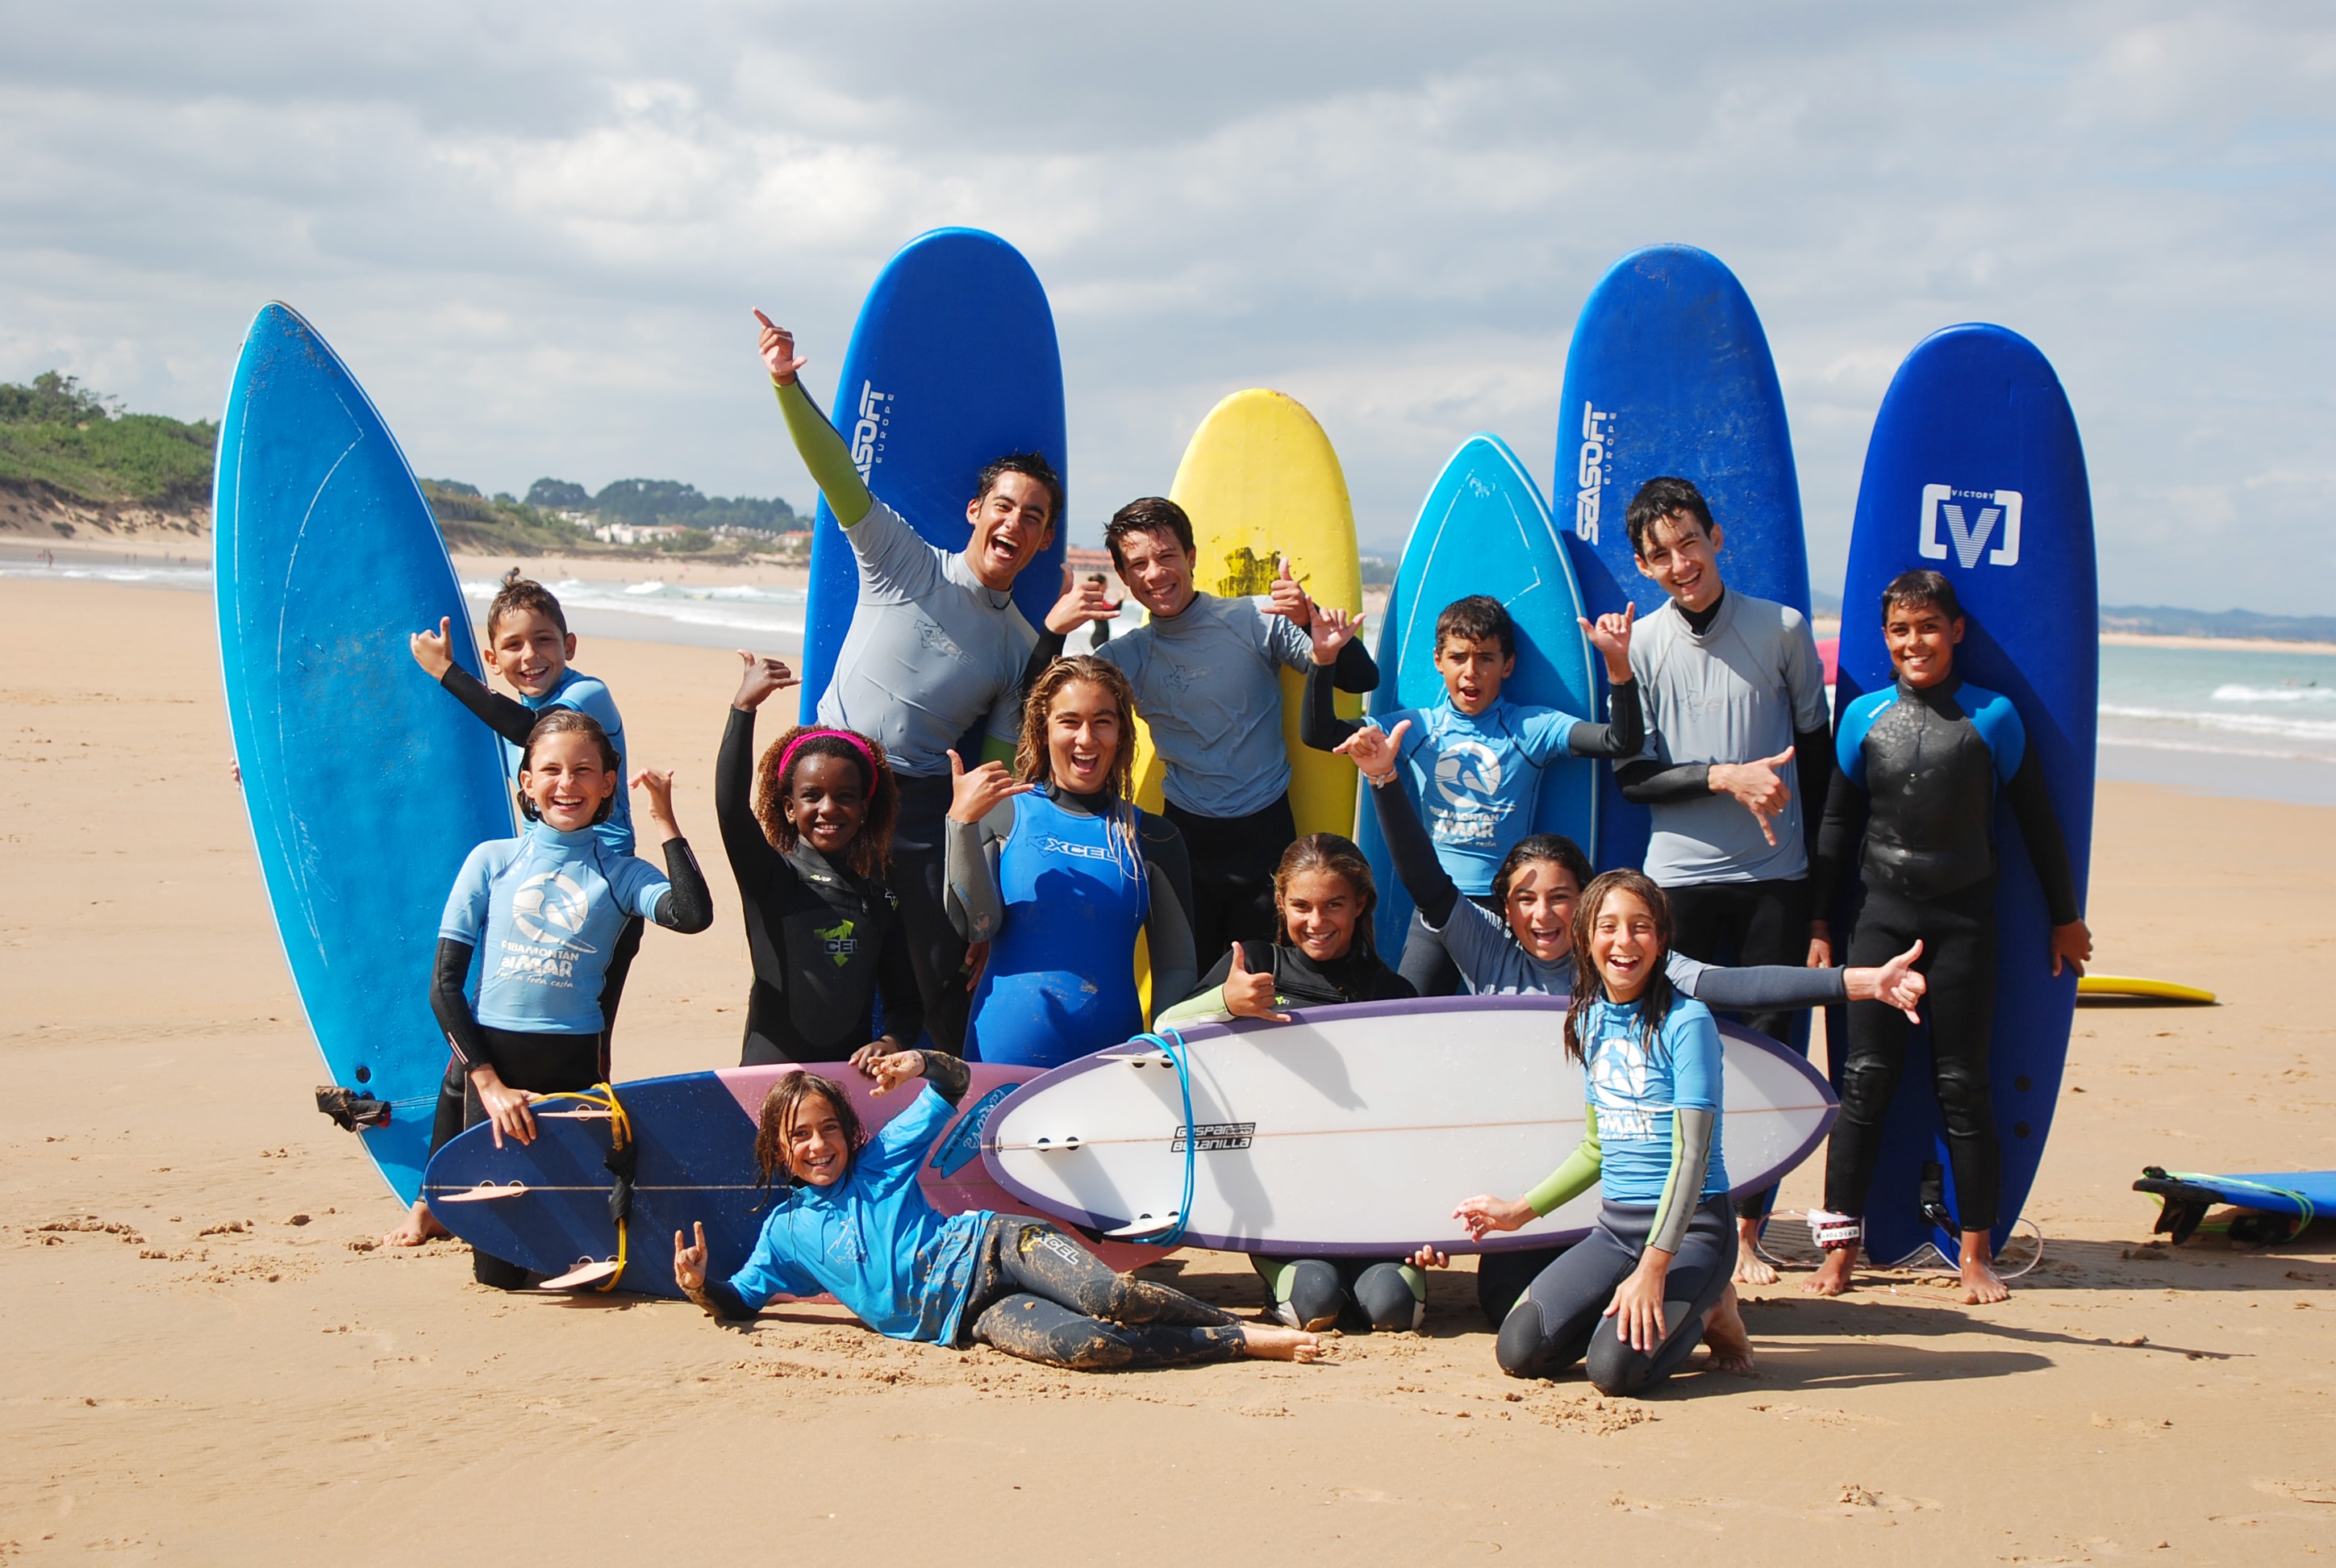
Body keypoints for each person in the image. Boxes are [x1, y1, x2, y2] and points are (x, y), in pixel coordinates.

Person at [1337, 715, 1928, 1318]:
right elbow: (1425, 880)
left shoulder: (1624, 961)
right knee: (1503, 1304)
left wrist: (1860, 981)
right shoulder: (1486, 947)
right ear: (1506, 908)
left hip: (1618, 1187)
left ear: (1588, 902)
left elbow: (1738, 984)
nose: (1543, 915)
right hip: (1534, 1181)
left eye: (1561, 896)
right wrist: (1384, 778)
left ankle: (1698, 1285)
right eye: (1525, 899)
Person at [756, 309, 1076, 1053]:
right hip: (832, 775)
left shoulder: (1020, 645)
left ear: (1043, 537)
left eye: (1033, 516)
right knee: (815, 962)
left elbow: (994, 766)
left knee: (936, 971)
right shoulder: (904, 560)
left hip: (924, 803)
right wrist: (785, 386)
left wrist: (975, 897)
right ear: (976, 512)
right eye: (1004, 506)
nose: (1016, 524)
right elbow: (838, 473)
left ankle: (925, 1107)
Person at [1804, 570, 2092, 1305]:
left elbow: (2037, 823)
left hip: (1965, 922)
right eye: (1900, 631)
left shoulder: (1994, 717)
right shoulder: (1864, 717)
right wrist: (1818, 925)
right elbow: (1836, 830)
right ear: (1886, 640)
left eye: (1927, 627)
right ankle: (1840, 1250)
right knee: (1863, 1084)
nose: (1914, 642)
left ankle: (1974, 1256)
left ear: (1955, 631)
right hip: (1883, 921)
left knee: (1963, 1089)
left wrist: (2065, 917)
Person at [670, 1049, 1324, 1369]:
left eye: (829, 1128)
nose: (819, 1145)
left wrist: (915, 1062)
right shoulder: (784, 1235)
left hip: (996, 1245)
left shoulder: (882, 1159)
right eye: (801, 1136)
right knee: (1092, 1346)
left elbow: (952, 1085)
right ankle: (1230, 1340)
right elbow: (741, 1301)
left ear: (848, 1131)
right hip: (968, 1317)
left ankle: (1245, 1332)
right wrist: (702, 1287)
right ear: (780, 1152)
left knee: (1113, 1297)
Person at [1612, 477, 1834, 1285]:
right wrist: (1725, 777)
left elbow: (1819, 763)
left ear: (1715, 536)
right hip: (1678, 884)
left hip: (1775, 878)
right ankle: (1680, 1218)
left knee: (1770, 1050)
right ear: (1642, 565)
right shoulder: (1639, 648)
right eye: (1660, 554)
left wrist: (1820, 908)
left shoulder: (1780, 630)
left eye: (1689, 543)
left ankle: (1747, 1232)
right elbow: (1634, 779)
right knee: (1679, 1054)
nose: (1681, 564)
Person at [403, 709, 713, 1280]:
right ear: (527, 783)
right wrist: (489, 1085)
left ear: (606, 786)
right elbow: (444, 987)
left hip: (574, 1061)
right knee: (498, 1273)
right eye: (550, 770)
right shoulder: (491, 862)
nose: (566, 784)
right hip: (497, 1064)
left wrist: (666, 821)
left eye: (583, 771)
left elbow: (693, 915)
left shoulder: (622, 874)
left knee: (575, 1251)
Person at [1417, 869, 1754, 1395]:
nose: (1624, 942)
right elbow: (1597, 1148)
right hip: (1618, 1230)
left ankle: (1712, 1310)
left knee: (1614, 1372)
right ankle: (1636, 1311)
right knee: (1521, 1350)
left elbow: (1691, 1159)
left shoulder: (1688, 1023)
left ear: (1661, 939)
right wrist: (1516, 1213)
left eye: (1641, 927)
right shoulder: (1591, 1019)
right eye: (1609, 927)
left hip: (1692, 1233)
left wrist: (1654, 1268)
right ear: (1587, 939)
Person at [393, 581, 643, 1247]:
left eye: (544, 641)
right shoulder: (524, 705)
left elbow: (528, 733)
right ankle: (436, 1198)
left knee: (584, 1048)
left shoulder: (585, 697)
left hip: (604, 889)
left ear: (571, 646)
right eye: (514, 645)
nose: (531, 655)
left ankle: (586, 1184)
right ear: (494, 656)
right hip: (540, 878)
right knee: (472, 1047)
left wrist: (448, 673)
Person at [1022, 496, 1379, 961]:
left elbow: (1360, 679)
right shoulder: (1125, 657)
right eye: (1139, 564)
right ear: (1125, 578)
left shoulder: (1255, 619)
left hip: (1264, 834)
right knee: (1192, 985)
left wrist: (1310, 618)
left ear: (1191, 557)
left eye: (1167, 556)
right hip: (1185, 842)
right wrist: (1052, 633)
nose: (1155, 573)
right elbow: (1037, 709)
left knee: (1266, 978)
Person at [1300, 594, 1641, 995]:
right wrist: (1323, 661)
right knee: (1410, 1018)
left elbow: (1621, 740)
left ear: (1508, 665)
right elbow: (1319, 733)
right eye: (1459, 658)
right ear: (1438, 661)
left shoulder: (1532, 727)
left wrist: (1619, 666)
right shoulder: (1414, 728)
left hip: (1511, 908)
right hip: (1439, 904)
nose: (1471, 672)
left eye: (1486, 658)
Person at [1157, 835, 1421, 1333]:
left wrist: (1424, 1218)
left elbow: (1418, 1114)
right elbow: (1164, 1030)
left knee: (1393, 1309)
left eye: (1334, 905)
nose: (1317, 922)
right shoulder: (1256, 967)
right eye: (1301, 906)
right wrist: (1227, 1005)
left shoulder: (1391, 993)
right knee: (1314, 1303)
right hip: (1285, 1194)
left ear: (1361, 903)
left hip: (1373, 1195)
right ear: (1281, 902)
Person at [945, 656, 1198, 1069]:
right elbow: (975, 925)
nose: (1086, 738)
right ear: (1043, 730)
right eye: (1069, 721)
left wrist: (1162, 1047)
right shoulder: (1003, 814)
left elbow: (1178, 967)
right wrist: (960, 824)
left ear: (1121, 733)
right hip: (1002, 1054)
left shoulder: (1153, 837)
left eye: (1102, 721)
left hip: (1111, 1062)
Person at [718, 649, 924, 1065]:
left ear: (865, 809)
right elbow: (730, 807)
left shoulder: (882, 899)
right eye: (811, 796)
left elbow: (906, 1003)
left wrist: (891, 1042)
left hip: (847, 1081)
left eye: (845, 797)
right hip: (768, 1077)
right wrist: (743, 709)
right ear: (790, 808)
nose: (828, 808)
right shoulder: (772, 877)